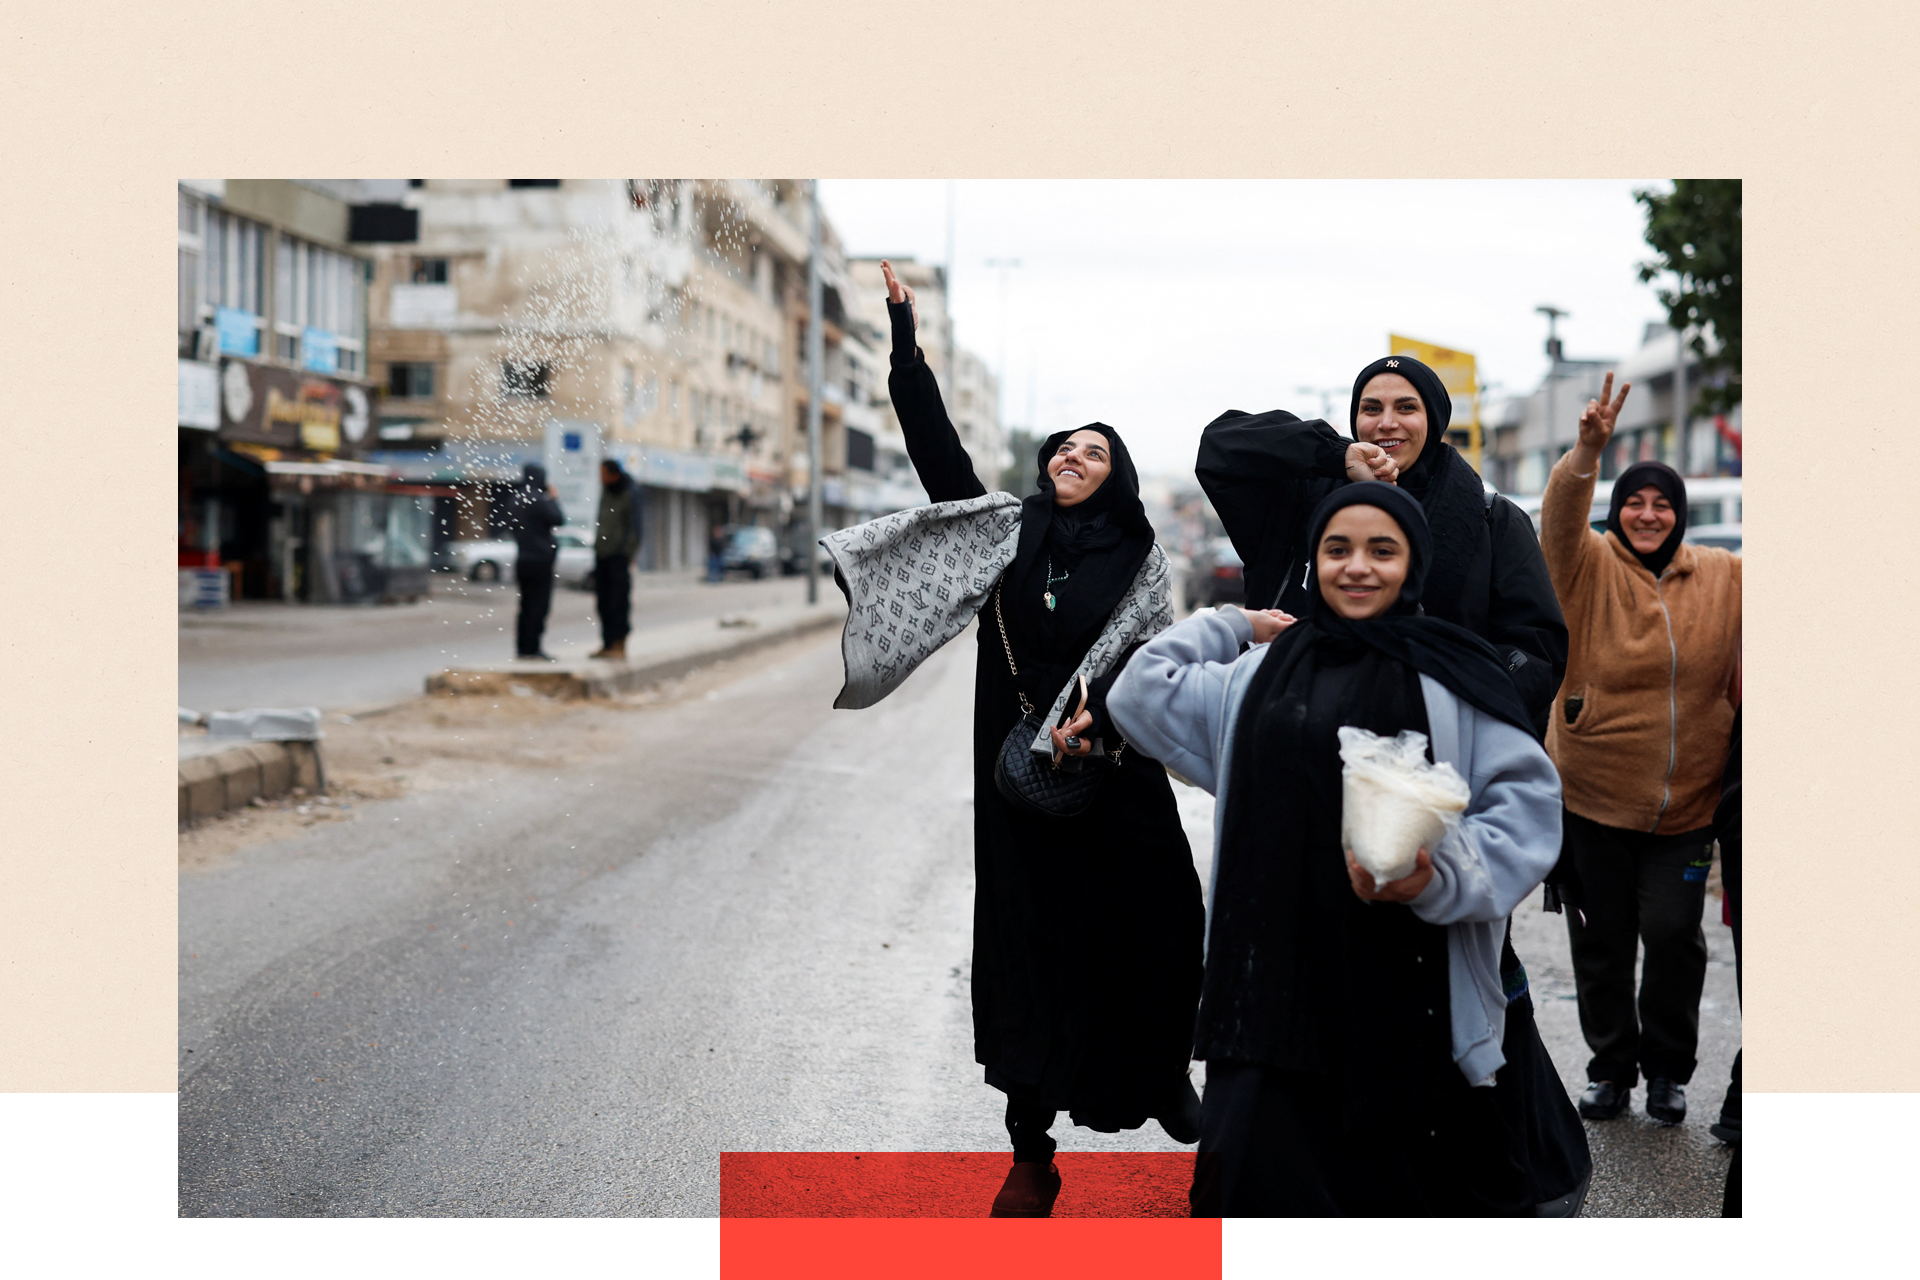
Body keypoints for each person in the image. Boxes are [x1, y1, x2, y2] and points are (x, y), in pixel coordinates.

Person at [820, 261, 1204, 1219]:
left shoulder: (1145, 561)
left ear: (1116, 475)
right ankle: (1031, 1148)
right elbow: (935, 450)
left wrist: (1102, 724)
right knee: (1032, 951)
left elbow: (1151, 660)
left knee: (1160, 917)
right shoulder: (1005, 530)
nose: (1072, 458)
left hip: (1115, 777)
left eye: (1093, 452)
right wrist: (908, 343)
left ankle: (1161, 1075)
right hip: (1023, 782)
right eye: (1063, 448)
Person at [1194, 357, 1588, 1212]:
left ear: (1435, 420)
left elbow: (1537, 644)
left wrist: (1461, 721)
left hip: (1431, 802)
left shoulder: (1488, 517)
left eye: (1406, 407)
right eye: (1370, 407)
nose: (1387, 422)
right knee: (1299, 988)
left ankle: (1525, 1165)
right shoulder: (1307, 497)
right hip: (1299, 785)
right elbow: (1221, 449)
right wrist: (1330, 456)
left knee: (1457, 989)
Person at [1107, 483, 1563, 1218]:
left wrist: (1435, 879)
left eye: (1382, 550)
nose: (1358, 567)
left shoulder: (1455, 676)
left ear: (1413, 563)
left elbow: (1527, 813)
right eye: (1337, 549)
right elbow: (1137, 691)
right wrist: (1235, 623)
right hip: (1266, 999)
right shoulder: (1257, 676)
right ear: (1313, 561)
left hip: (1401, 1004)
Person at [1539, 374, 1742, 1127]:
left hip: (1686, 808)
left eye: (1662, 504)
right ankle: (1610, 1067)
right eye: (1635, 501)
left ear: (1681, 514)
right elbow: (1559, 522)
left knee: (1671, 937)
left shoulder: (1723, 576)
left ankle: (1668, 1071)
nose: (1648, 514)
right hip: (1591, 798)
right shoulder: (1586, 567)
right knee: (1602, 944)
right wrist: (1588, 452)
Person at [509, 463, 564, 661]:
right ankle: (533, 647)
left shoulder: (516, 499)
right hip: (540, 560)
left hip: (522, 558)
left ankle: (523, 647)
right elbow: (558, 519)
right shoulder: (540, 500)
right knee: (538, 605)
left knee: (525, 605)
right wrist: (554, 498)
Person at [590, 459, 642, 660]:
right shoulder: (606, 491)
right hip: (602, 553)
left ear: (614, 474)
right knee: (603, 601)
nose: (600, 478)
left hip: (619, 556)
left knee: (618, 601)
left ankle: (619, 643)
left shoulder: (630, 492)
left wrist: (627, 553)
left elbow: (635, 527)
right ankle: (607, 643)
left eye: (603, 474)